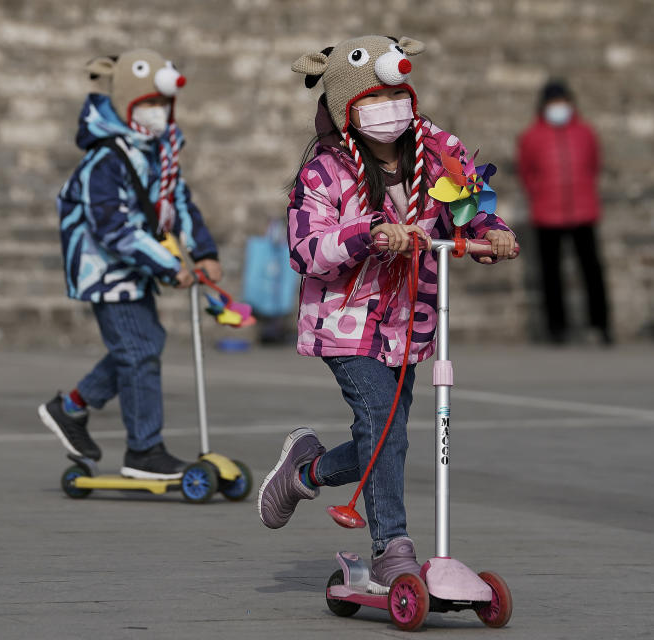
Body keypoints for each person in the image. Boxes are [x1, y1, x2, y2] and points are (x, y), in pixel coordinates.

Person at [256, 35, 517, 593]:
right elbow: (307, 251)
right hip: (346, 324)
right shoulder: (325, 173)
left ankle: (306, 472)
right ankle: (392, 549)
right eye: (373, 103)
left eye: (396, 98)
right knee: (382, 425)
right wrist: (367, 234)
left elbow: (468, 206)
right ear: (348, 109)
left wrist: (492, 235)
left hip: (410, 323)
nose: (389, 114)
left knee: (387, 436)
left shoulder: (438, 149)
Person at [38, 49, 222, 479]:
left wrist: (205, 251)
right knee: (139, 349)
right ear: (126, 105)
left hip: (135, 265)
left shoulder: (158, 151)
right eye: (148, 105)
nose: (157, 113)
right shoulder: (105, 159)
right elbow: (112, 227)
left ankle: (71, 408)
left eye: (162, 105)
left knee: (143, 344)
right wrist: (165, 265)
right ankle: (143, 450)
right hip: (104, 269)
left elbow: (177, 201)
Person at [517, 79, 612, 345]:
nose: (558, 107)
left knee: (592, 270)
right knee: (551, 274)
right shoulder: (532, 136)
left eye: (562, 101)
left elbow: (594, 165)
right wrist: (538, 193)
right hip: (547, 212)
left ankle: (601, 325)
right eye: (553, 102)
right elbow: (526, 172)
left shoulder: (585, 133)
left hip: (583, 210)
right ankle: (556, 329)